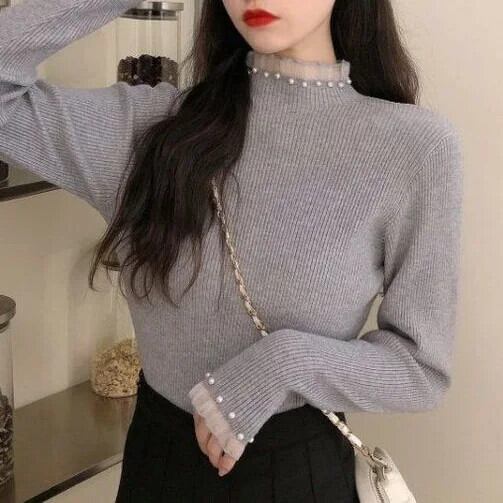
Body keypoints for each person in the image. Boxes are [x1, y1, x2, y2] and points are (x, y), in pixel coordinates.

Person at [0, 0, 464, 501]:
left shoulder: (413, 148)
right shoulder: (147, 131)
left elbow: (421, 369)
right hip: (156, 472)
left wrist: (285, 363)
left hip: (302, 477)